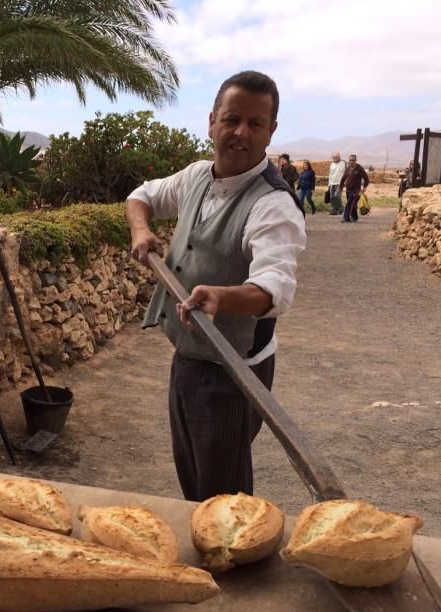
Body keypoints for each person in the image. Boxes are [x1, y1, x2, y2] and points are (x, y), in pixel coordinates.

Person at [126, 70, 305, 501]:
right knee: (193, 476)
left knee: (222, 493)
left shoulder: (273, 205)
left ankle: (230, 563)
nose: (241, 132)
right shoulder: (195, 177)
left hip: (234, 369)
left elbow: (273, 289)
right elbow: (141, 196)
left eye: (255, 124)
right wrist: (140, 232)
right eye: (231, 119)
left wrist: (223, 296)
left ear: (270, 132)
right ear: (212, 122)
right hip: (190, 355)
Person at [341, 154, 369, 222]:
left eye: (353, 160)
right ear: (348, 160)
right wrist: (341, 187)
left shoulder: (359, 168)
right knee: (352, 204)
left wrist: (364, 187)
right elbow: (343, 178)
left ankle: (346, 218)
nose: (352, 162)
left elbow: (366, 179)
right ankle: (355, 217)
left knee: (349, 203)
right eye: (350, 160)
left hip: (356, 191)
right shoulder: (348, 168)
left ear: (356, 160)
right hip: (348, 190)